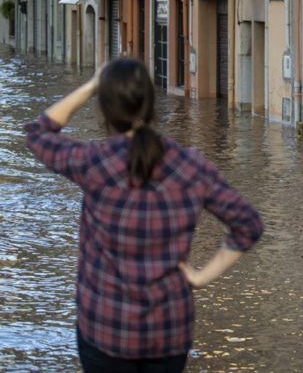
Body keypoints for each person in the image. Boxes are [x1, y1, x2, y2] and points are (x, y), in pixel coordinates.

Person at [25, 58, 264, 372]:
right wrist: (201, 277)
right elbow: (248, 224)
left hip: (106, 328)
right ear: (151, 104)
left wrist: (93, 85)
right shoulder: (190, 165)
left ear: (106, 110)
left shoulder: (94, 162)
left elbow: (38, 132)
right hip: (169, 332)